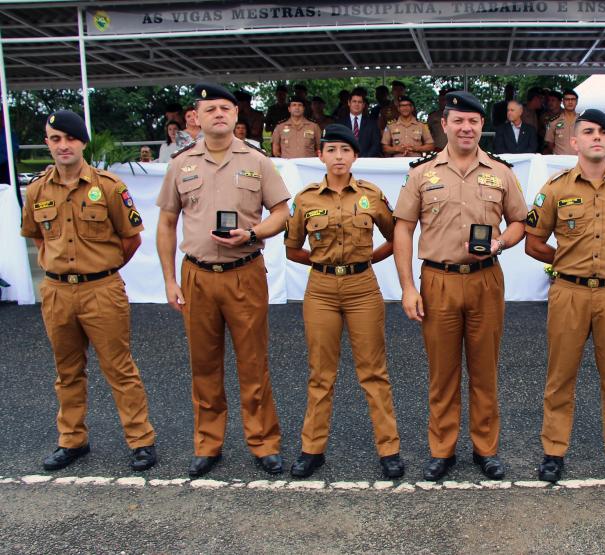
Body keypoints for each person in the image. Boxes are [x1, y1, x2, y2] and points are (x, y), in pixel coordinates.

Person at [156, 83, 289, 478]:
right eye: (210, 108)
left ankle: (263, 442)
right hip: (196, 275)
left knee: (253, 363)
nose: (219, 114)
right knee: (204, 364)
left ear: (236, 115)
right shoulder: (181, 164)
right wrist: (168, 280)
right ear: (196, 116)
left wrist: (253, 234)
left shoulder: (257, 161)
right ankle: (208, 443)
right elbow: (166, 223)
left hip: (244, 273)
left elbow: (282, 212)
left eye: (225, 108)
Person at [393, 91, 527, 481]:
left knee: (485, 370)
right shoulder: (422, 173)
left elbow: (520, 221)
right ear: (445, 124)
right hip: (439, 281)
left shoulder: (501, 172)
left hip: (486, 279)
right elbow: (403, 227)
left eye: (473, 121)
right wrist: (406, 287)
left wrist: (502, 241)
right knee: (443, 371)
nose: (466, 128)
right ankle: (442, 449)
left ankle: (486, 449)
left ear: (482, 126)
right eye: (458, 121)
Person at [524, 108, 605, 484]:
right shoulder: (556, 188)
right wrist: (568, 261)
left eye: (603, 132)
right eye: (588, 131)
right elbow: (533, 244)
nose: (596, 137)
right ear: (575, 141)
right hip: (569, 293)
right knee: (560, 377)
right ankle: (553, 452)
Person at [21, 110, 157, 472]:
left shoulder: (109, 187)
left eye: (69, 138)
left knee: (119, 368)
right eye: (55, 139)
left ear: (82, 142)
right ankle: (72, 440)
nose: (63, 146)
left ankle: (140, 440)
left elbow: (131, 239)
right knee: (66, 371)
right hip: (57, 292)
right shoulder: (36, 190)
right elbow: (37, 236)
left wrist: (101, 270)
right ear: (48, 143)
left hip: (101, 289)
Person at [284, 124, 404, 479]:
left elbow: (396, 236)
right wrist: (322, 265)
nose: (338, 156)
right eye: (331, 150)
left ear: (355, 156)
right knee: (320, 374)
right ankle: (312, 449)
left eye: (345, 150)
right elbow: (291, 250)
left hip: (362, 288)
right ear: (320, 155)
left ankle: (389, 450)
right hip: (320, 290)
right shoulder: (305, 198)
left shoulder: (370, 194)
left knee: (374, 372)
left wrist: (366, 261)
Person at [337, 89, 382, 157]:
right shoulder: (340, 124)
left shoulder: (372, 124)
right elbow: (337, 143)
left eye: (360, 102)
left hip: (365, 162)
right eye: (354, 101)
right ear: (349, 103)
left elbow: (376, 144)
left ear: (363, 105)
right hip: (345, 160)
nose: (357, 104)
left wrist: (364, 158)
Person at [543, 90, 579, 155]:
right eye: (567, 99)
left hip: (578, 160)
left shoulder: (583, 121)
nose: (570, 102)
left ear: (576, 102)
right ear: (562, 102)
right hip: (560, 161)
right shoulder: (553, 122)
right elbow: (550, 143)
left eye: (573, 99)